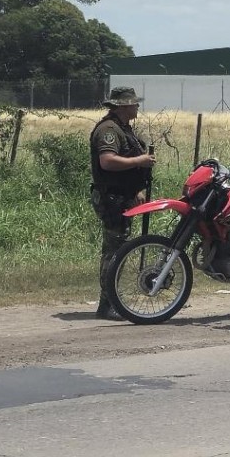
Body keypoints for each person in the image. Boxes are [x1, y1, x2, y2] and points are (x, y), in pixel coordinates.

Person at [89, 86, 157, 320]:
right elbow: (107, 161)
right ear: (123, 106)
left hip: (122, 196)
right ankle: (107, 304)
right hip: (112, 198)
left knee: (119, 248)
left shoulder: (123, 128)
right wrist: (140, 160)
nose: (137, 106)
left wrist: (136, 188)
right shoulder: (109, 130)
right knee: (114, 252)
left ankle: (111, 301)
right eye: (133, 103)